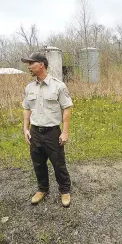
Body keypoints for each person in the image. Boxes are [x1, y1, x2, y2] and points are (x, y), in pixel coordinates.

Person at [21, 52, 73, 208]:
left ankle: (65, 190)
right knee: (38, 163)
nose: (29, 67)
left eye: (31, 63)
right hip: (35, 132)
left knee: (58, 163)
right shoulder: (29, 87)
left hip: (52, 132)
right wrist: (25, 128)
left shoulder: (58, 86)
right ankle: (42, 189)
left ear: (41, 65)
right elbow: (26, 108)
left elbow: (67, 109)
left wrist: (65, 132)